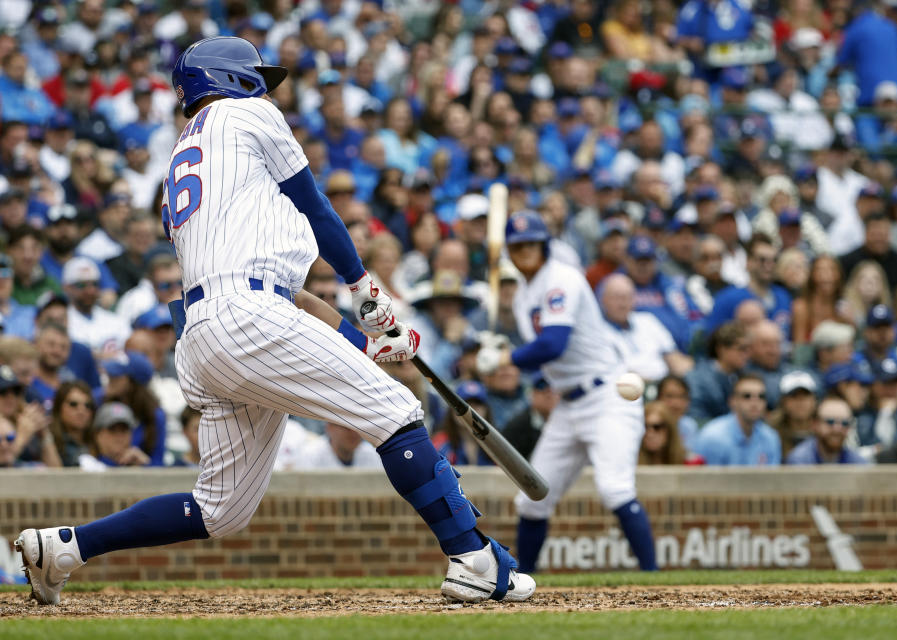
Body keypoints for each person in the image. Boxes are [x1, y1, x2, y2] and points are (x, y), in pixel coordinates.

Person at [16, 38, 535, 607]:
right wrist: (366, 289)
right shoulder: (248, 112)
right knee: (397, 415)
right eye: (256, 74)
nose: (265, 84)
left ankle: (64, 547)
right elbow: (317, 207)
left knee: (220, 509)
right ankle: (476, 559)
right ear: (230, 76)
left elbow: (289, 300)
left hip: (208, 333)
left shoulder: (187, 159)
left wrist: (368, 338)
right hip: (246, 316)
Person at [475, 210, 656, 573]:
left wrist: (505, 357)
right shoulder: (525, 295)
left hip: (606, 396)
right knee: (532, 498)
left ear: (544, 246)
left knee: (614, 489)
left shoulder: (562, 279)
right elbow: (543, 354)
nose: (525, 251)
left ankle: (655, 579)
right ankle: (523, 579)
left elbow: (552, 345)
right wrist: (499, 347)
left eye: (532, 244)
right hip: (568, 405)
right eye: (517, 245)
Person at [708, 234, 793, 338]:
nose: (769, 265)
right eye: (762, 260)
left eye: (774, 260)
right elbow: (712, 339)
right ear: (748, 261)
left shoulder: (783, 296)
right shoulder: (727, 298)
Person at [695, 374, 782, 466]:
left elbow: (772, 479)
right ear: (732, 401)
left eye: (761, 396)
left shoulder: (771, 437)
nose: (755, 402)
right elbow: (705, 479)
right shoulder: (713, 437)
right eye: (747, 396)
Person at [686, 322, 750, 423]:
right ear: (721, 349)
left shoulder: (742, 376)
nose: (746, 355)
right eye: (741, 349)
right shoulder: (698, 378)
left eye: (748, 349)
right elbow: (696, 416)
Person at [786, 396, 867, 465]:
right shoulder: (799, 461)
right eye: (830, 422)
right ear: (815, 424)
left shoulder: (858, 463)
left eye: (844, 423)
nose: (837, 429)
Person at [502, 373, 558, 461]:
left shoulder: (567, 420)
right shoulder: (517, 427)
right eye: (541, 386)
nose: (548, 392)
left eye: (553, 387)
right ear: (531, 395)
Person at [769, 371, 819, 459]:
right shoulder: (771, 433)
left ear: (814, 400)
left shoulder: (825, 429)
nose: (800, 401)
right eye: (794, 396)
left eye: (805, 395)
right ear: (783, 402)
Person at [48, 381, 97, 468]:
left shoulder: (98, 441)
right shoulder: (50, 442)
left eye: (87, 405)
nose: (81, 411)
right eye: (73, 404)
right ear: (59, 408)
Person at [638, 400, 688, 465]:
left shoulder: (691, 463)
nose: (649, 434)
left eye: (657, 427)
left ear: (670, 429)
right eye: (645, 427)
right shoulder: (630, 463)